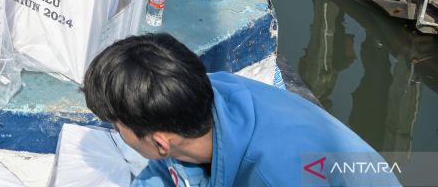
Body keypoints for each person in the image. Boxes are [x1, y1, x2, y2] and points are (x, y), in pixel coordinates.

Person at [83, 33, 390, 187]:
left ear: (160, 142)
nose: (114, 129)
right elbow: (168, 169)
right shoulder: (201, 94)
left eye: (116, 124)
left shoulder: (274, 175)